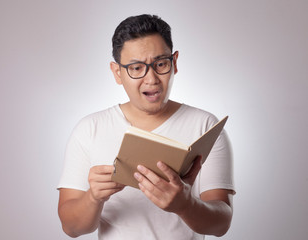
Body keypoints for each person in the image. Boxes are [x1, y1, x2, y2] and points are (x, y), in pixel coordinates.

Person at [57, 14, 235, 240]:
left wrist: (185, 205)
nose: (151, 79)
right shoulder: (89, 129)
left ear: (175, 63)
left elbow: (221, 225)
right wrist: (94, 197)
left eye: (160, 64)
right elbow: (71, 228)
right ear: (117, 72)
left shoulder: (206, 126)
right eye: (136, 67)